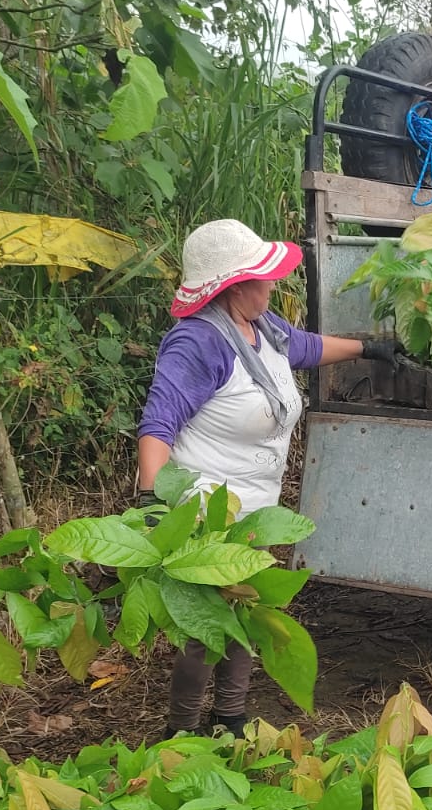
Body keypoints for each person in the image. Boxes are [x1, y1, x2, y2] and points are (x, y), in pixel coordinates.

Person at [137, 218, 395, 737]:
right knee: (205, 627)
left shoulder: (262, 328)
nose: (273, 285)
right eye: (263, 277)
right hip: (204, 511)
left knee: (247, 612)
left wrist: (370, 349)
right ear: (234, 286)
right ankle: (180, 733)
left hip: (254, 511)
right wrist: (152, 499)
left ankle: (230, 719)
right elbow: (159, 423)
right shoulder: (199, 343)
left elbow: (305, 348)